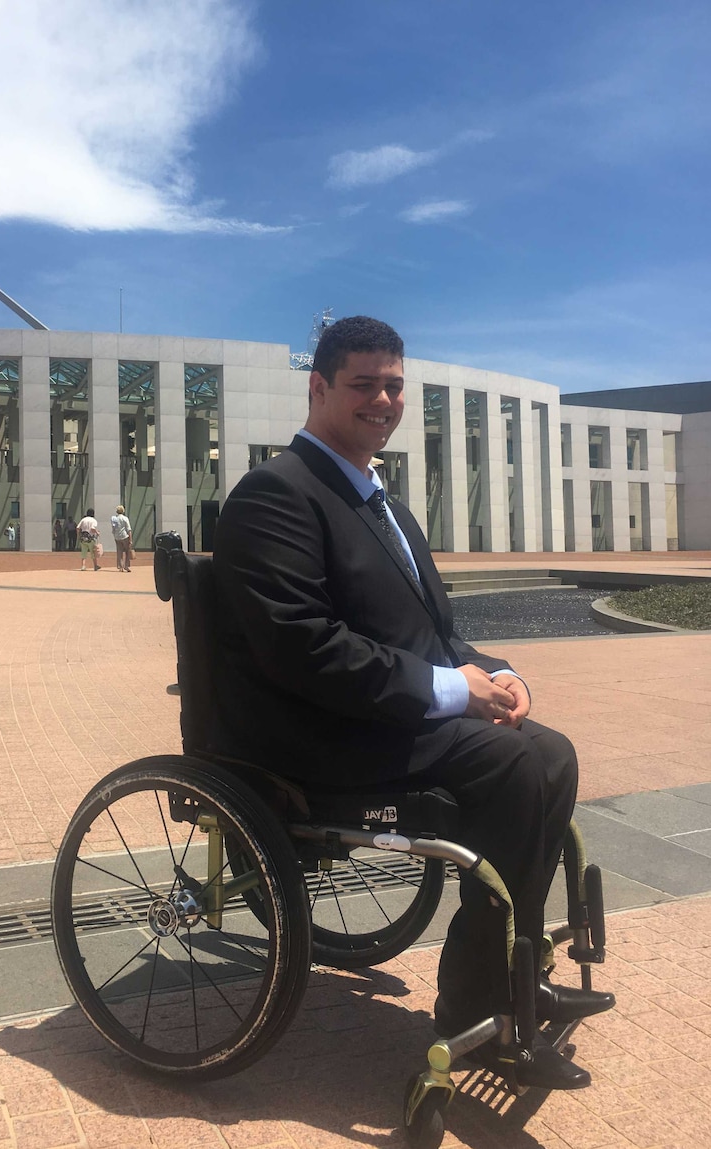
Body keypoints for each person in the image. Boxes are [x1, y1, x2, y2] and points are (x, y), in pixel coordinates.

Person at [211, 316, 614, 1091]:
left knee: (549, 749)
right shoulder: (276, 496)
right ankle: (475, 1005)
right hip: (318, 735)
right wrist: (450, 691)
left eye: (394, 384)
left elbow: (435, 632)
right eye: (364, 384)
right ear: (319, 387)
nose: (384, 399)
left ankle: (515, 977)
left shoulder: (380, 504)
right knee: (510, 765)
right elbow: (303, 647)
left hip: (381, 715)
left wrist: (495, 672)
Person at [110, 505, 133, 572]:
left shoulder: (114, 518)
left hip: (117, 537)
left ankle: (120, 566)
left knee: (119, 552)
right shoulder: (125, 518)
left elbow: (113, 528)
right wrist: (130, 539)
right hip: (124, 536)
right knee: (127, 551)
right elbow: (129, 529)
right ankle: (126, 566)